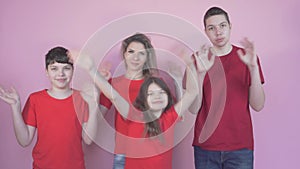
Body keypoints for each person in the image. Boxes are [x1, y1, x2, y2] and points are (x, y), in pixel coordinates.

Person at [70, 43, 199, 169]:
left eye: (161, 93)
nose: (157, 96)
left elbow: (192, 92)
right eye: (151, 94)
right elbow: (113, 96)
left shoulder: (170, 117)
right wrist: (91, 69)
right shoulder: (134, 116)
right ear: (144, 99)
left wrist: (190, 65)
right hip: (123, 155)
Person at [190, 6, 265, 169]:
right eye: (212, 28)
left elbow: (258, 105)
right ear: (205, 31)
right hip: (206, 148)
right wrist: (200, 74)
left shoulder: (247, 58)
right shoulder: (198, 60)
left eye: (222, 26)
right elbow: (193, 108)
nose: (218, 32)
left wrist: (253, 68)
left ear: (230, 26)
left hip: (240, 147)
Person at [0, 46, 98, 169]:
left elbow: (88, 140)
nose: (60, 74)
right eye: (54, 68)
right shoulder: (35, 99)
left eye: (66, 68)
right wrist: (15, 107)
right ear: (46, 71)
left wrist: (93, 107)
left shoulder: (82, 98)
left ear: (73, 70)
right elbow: (24, 140)